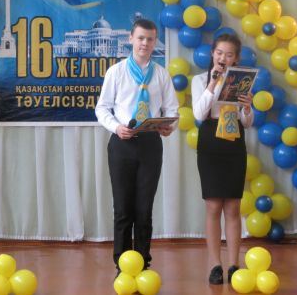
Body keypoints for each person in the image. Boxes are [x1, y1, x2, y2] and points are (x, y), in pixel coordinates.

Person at [95, 19, 179, 274]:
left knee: (144, 208)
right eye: (141, 38)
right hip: (122, 143)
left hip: (150, 145)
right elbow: (102, 108)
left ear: (154, 42)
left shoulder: (161, 74)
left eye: (150, 39)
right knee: (123, 208)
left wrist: (169, 126)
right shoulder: (116, 72)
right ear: (130, 38)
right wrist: (116, 127)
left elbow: (172, 110)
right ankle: (122, 263)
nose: (145, 43)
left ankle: (142, 261)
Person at [191, 33, 254, 285]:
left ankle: (234, 265)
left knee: (233, 207)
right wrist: (212, 84)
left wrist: (247, 107)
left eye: (229, 55)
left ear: (235, 58)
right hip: (210, 141)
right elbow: (199, 114)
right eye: (219, 53)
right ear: (212, 54)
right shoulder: (199, 80)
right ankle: (215, 265)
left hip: (234, 142)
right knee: (213, 206)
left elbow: (246, 123)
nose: (223, 58)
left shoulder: (241, 81)